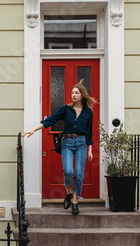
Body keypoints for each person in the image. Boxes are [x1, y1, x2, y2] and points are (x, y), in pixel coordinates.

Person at [23, 80, 96, 215]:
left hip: (81, 143)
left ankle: (75, 201)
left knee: (79, 174)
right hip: (67, 142)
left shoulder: (88, 112)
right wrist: (33, 129)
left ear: (82, 95)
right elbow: (49, 120)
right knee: (68, 171)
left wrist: (90, 149)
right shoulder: (65, 109)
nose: (73, 95)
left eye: (76, 93)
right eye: (72, 93)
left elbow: (90, 131)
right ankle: (68, 192)